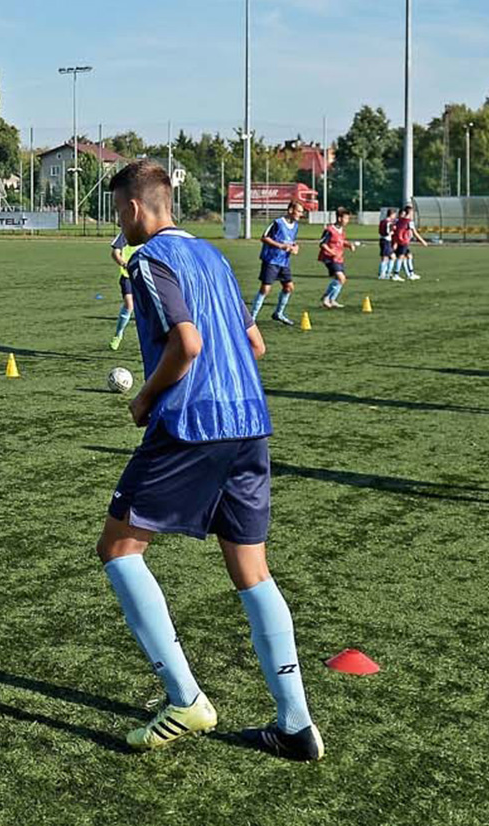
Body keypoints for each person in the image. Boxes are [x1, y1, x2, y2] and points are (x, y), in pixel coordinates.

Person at [97, 160, 323, 762]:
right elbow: (254, 343)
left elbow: (188, 342)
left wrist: (146, 397)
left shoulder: (149, 260)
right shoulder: (215, 257)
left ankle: (185, 700)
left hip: (192, 424)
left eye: (118, 212)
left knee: (118, 549)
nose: (119, 224)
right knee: (252, 569)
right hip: (249, 421)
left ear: (133, 209)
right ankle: (296, 724)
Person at [249, 199, 305, 326]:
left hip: (284, 261)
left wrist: (295, 247)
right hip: (271, 260)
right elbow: (264, 238)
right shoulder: (278, 223)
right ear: (290, 210)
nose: (301, 214)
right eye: (299, 211)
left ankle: (278, 313)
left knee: (289, 287)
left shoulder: (295, 226)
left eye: (302, 212)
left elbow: (292, 241)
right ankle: (251, 318)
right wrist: (281, 246)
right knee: (265, 289)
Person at [317, 207, 357, 309]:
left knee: (340, 280)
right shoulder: (329, 230)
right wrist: (331, 252)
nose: (347, 221)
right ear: (339, 218)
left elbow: (341, 242)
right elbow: (322, 244)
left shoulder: (341, 230)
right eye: (346, 218)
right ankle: (326, 297)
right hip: (329, 258)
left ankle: (332, 300)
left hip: (338, 258)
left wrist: (349, 245)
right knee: (341, 278)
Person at [109, 231, 141, 350]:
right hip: (127, 276)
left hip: (144, 277)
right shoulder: (126, 233)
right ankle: (118, 335)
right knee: (129, 304)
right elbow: (115, 253)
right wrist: (123, 263)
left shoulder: (149, 234)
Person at [390, 204, 428, 281]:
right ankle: (396, 274)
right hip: (403, 241)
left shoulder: (399, 220)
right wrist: (423, 241)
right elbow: (415, 233)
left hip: (399, 240)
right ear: (410, 212)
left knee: (409, 256)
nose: (413, 214)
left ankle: (411, 274)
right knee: (401, 257)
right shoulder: (409, 222)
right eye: (412, 212)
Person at [377, 208, 397, 280]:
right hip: (386, 241)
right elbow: (387, 232)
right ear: (391, 214)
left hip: (382, 240)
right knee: (386, 258)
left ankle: (386, 273)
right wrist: (393, 230)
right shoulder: (389, 223)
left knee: (391, 257)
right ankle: (383, 274)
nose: (395, 216)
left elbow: (380, 231)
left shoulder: (382, 221)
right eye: (394, 215)